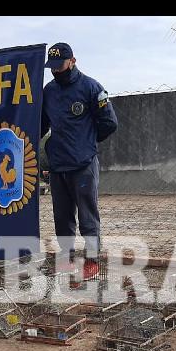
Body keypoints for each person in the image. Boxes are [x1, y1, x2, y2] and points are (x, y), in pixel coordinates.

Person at [41, 42, 118, 281]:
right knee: (62, 217)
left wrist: (86, 144)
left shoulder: (91, 88)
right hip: (58, 166)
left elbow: (109, 123)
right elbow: (42, 125)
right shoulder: (49, 91)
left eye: (60, 65)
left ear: (73, 61)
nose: (56, 71)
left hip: (83, 165)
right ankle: (66, 259)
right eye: (51, 67)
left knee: (88, 216)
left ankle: (93, 261)